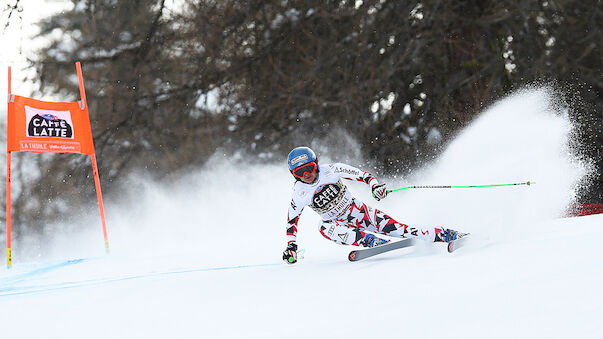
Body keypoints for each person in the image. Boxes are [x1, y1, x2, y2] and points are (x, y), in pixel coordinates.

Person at [282, 146, 463, 264]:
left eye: (310, 168)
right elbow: (292, 222)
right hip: (338, 224)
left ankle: (447, 234)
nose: (306, 175)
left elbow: (363, 175)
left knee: (400, 229)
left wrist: (375, 186)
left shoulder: (331, 170)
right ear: (294, 175)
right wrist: (291, 246)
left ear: (317, 165)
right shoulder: (299, 194)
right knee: (323, 227)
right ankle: (372, 241)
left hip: (360, 212)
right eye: (300, 172)